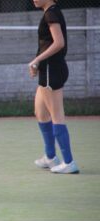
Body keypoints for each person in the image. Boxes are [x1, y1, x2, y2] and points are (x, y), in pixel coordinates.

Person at [29, 0, 79, 174]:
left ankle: (69, 162)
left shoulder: (51, 13)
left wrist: (37, 60)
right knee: (40, 112)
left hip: (52, 70)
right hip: (47, 70)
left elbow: (59, 43)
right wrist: (38, 64)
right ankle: (50, 157)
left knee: (57, 116)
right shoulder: (50, 12)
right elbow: (48, 42)